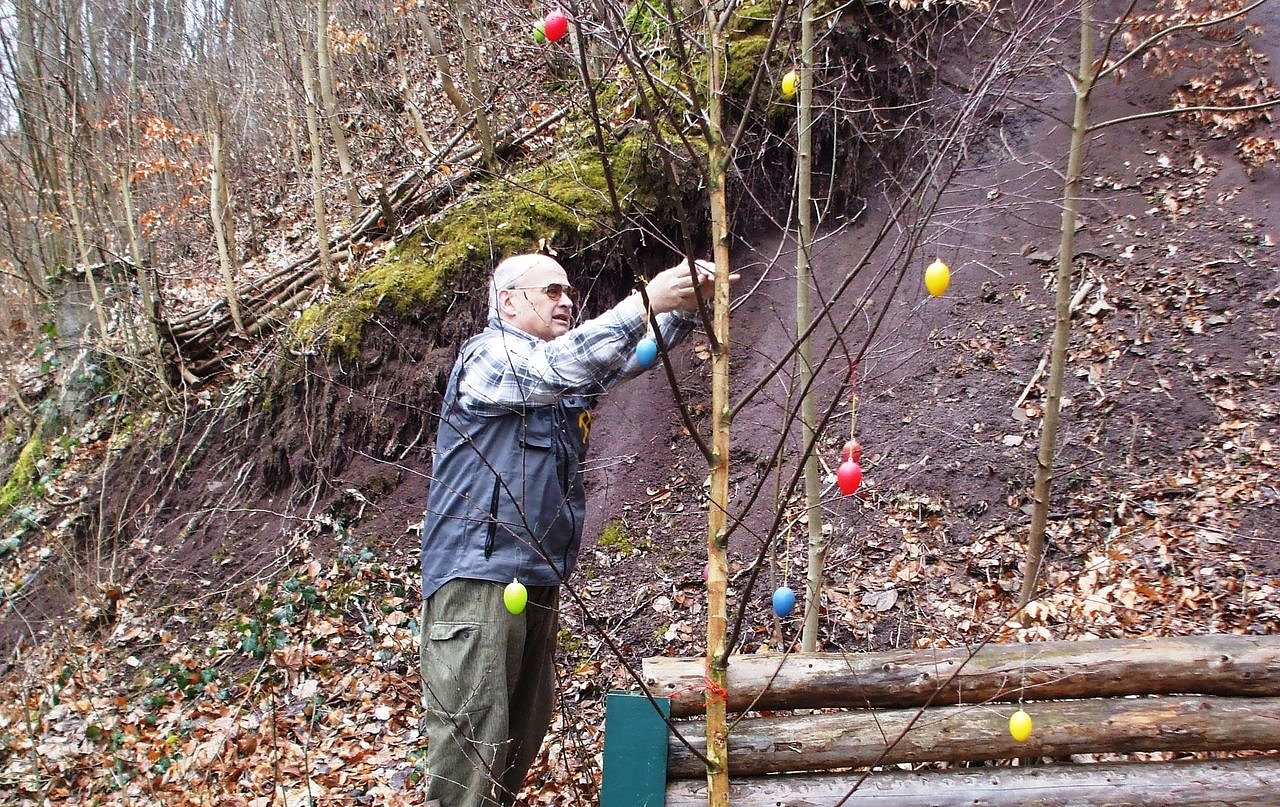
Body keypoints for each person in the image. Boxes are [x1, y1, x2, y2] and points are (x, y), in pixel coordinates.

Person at [419, 252, 723, 806]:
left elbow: (623, 356)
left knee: (519, 735)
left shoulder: (561, 375)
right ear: (509, 302)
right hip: (476, 579)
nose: (566, 300)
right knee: (472, 746)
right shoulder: (488, 357)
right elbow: (558, 366)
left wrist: (685, 307)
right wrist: (648, 299)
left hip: (534, 579)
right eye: (551, 291)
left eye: (568, 291)